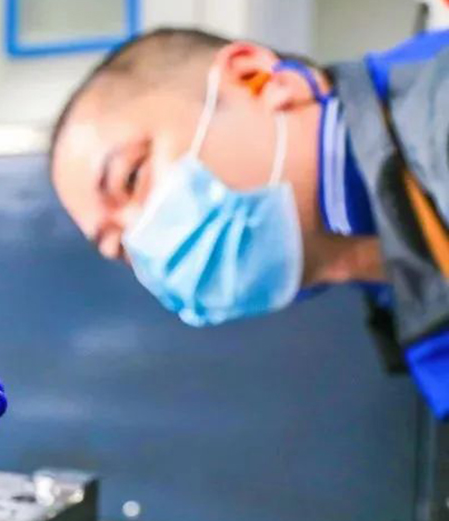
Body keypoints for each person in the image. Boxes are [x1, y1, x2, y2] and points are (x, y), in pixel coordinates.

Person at [49, 26, 449, 418]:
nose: (144, 236)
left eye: (132, 177)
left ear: (253, 77)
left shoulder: (437, 122)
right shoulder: (407, 306)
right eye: (122, 248)